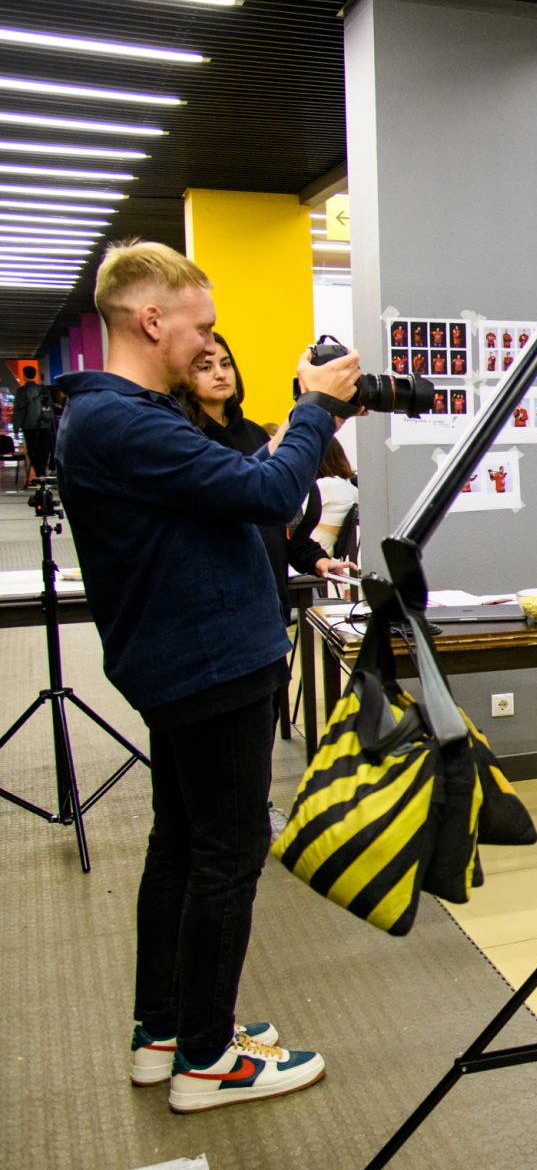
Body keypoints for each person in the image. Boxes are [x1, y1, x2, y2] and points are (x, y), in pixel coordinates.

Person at [54, 239, 362, 1112]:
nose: (207, 344)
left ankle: (165, 1033)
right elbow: (268, 496)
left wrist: (296, 430)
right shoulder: (125, 421)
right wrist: (315, 409)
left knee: (183, 847)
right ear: (153, 320)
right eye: (202, 326)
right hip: (211, 663)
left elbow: (235, 489)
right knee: (229, 853)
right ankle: (208, 1059)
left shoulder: (115, 416)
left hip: (185, 659)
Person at [179, 334, 349, 608]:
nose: (220, 374)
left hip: (270, 599)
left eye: (226, 364)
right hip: (221, 600)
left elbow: (283, 525)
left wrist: (316, 558)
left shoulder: (256, 434)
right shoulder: (187, 440)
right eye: (206, 367)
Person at [16, 364, 54, 479]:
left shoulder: (22, 391)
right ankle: (43, 472)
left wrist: (16, 427)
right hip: (44, 424)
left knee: (33, 450)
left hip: (29, 426)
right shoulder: (43, 390)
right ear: (35, 374)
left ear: (24, 375)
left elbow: (19, 410)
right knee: (44, 449)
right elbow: (49, 407)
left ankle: (39, 473)